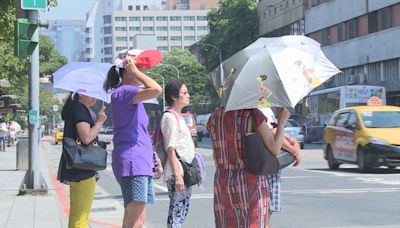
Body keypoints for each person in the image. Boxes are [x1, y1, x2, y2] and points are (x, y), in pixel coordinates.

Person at [104, 51, 162, 228]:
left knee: (139, 217)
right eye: (140, 68)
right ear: (128, 70)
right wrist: (135, 71)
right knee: (133, 217)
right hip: (133, 161)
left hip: (139, 160)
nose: (144, 73)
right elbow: (157, 89)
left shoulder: (131, 95)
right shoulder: (124, 92)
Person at [207, 107, 291, 228]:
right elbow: (275, 148)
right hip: (249, 184)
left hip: (223, 183)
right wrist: (281, 121)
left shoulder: (215, 116)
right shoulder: (253, 115)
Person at [57, 92, 107, 228]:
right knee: (81, 216)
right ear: (79, 93)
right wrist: (99, 122)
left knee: (77, 213)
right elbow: (86, 138)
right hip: (83, 169)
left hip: (76, 167)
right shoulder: (80, 109)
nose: (94, 97)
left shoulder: (75, 108)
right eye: (90, 93)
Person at [160, 79, 196, 228]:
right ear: (174, 97)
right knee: (176, 212)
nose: (188, 95)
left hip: (185, 169)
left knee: (181, 211)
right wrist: (178, 176)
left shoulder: (179, 116)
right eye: (184, 93)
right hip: (179, 171)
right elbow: (170, 148)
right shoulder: (170, 117)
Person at [259, 108, 301, 226]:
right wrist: (294, 150)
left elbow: (276, 131)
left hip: (269, 167)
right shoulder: (259, 108)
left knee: (265, 217)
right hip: (267, 168)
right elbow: (271, 133)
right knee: (264, 217)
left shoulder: (264, 107)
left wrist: (292, 141)